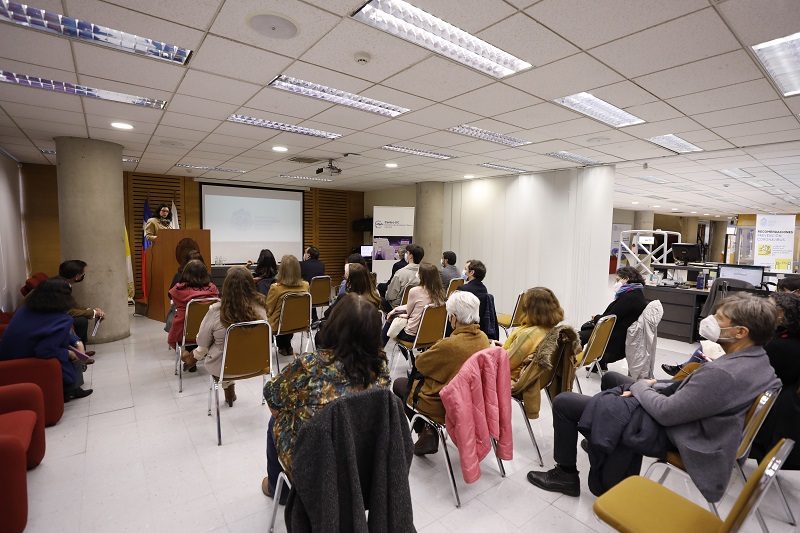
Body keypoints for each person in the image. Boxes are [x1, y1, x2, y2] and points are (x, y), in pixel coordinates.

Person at [527, 293, 782, 501]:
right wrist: (650, 385)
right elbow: (692, 394)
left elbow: (667, 412)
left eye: (720, 318)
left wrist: (640, 388)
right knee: (612, 379)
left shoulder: (724, 374)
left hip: (682, 434)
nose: (710, 321)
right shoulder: (758, 361)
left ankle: (566, 473)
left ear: (740, 332)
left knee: (564, 403)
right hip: (696, 422)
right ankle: (602, 433)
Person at [262, 294, 390, 497]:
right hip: (361, 460)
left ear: (334, 324)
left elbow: (272, 398)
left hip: (315, 465)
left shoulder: (310, 364)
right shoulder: (381, 367)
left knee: (274, 420)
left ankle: (281, 491)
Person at [392, 291, 490, 455]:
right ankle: (428, 432)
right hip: (469, 398)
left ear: (454, 318)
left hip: (442, 402)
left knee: (400, 384)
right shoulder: (483, 338)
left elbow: (420, 363)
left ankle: (426, 431)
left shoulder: (449, 345)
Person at [180, 266, 267, 406]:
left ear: (226, 286)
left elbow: (201, 341)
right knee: (224, 344)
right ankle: (229, 390)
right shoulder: (262, 307)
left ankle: (194, 360)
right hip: (257, 364)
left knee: (216, 344)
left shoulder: (216, 311)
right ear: (251, 285)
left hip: (223, 368)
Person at [0, 277, 93, 401]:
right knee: (69, 353)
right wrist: (69, 353)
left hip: (7, 360)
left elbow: (50, 332)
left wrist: (76, 341)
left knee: (67, 342)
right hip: (27, 363)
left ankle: (72, 388)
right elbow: (44, 350)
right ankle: (72, 388)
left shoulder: (27, 309)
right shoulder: (62, 319)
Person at [750, 291, 800, 468]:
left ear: (782, 315)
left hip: (764, 399)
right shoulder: (788, 338)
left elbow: (750, 375)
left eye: (769, 308)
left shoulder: (780, 347)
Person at [579, 266, 647, 371]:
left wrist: (596, 317)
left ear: (626, 279)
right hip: (619, 333)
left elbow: (611, 318)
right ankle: (600, 365)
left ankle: (571, 364)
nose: (616, 283)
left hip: (613, 336)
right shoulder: (636, 293)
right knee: (586, 330)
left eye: (618, 280)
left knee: (577, 336)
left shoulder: (630, 297)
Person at [500, 287, 564, 380]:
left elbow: (507, 363)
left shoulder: (528, 334)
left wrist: (494, 351)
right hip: (535, 378)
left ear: (531, 309)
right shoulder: (550, 330)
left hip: (511, 377)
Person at [167, 260, 219, 365]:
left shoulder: (178, 290)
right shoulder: (213, 289)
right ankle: (195, 355)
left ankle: (189, 355)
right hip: (209, 332)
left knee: (185, 322)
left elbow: (176, 304)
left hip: (184, 332)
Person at [381, 262, 446, 347]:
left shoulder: (415, 291)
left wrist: (396, 311)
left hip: (412, 335)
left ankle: (378, 351)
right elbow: (415, 307)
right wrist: (397, 309)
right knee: (395, 314)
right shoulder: (440, 292)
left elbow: (408, 311)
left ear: (422, 275)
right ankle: (410, 358)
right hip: (433, 334)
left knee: (390, 318)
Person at [265, 255, 309, 356]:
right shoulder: (306, 285)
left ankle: (283, 347)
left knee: (276, 316)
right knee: (290, 314)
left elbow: (269, 309)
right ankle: (287, 346)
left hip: (280, 325)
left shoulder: (276, 288)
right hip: (300, 322)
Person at [59, 259, 105, 353]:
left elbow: (73, 304)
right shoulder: (60, 286)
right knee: (81, 321)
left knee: (81, 319)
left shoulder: (64, 283)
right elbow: (69, 311)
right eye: (82, 274)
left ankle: (81, 351)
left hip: (57, 314)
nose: (83, 276)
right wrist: (93, 313)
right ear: (77, 276)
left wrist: (92, 310)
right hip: (51, 318)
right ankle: (79, 353)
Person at [455, 259, 498, 340]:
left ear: (471, 272)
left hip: (465, 328)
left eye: (465, 269)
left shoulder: (462, 289)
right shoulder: (484, 289)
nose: (464, 271)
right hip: (480, 330)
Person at [382, 244, 423, 312]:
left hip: (399, 307)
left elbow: (390, 295)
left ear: (410, 256)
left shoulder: (400, 273)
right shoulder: (425, 274)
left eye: (407, 253)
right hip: (417, 307)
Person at [300, 246, 325, 320]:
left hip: (306, 294)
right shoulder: (322, 265)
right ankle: (314, 318)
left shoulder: (302, 265)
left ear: (308, 255)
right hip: (320, 294)